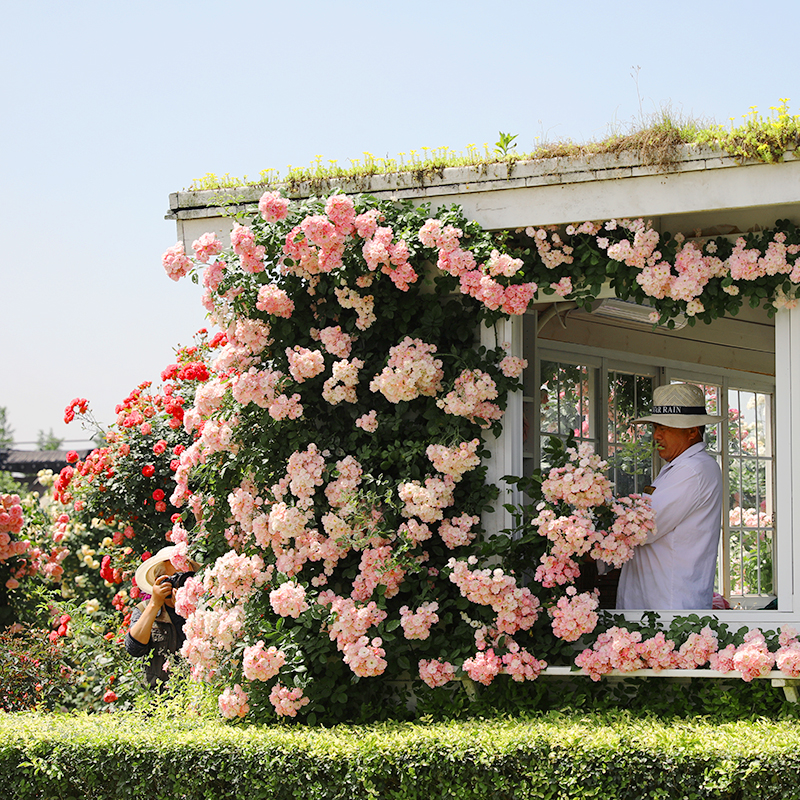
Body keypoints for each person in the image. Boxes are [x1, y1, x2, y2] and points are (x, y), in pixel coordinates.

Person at [616, 383, 724, 610]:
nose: (656, 435)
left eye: (665, 427)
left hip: (669, 607)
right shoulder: (681, 467)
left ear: (692, 430)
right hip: (659, 604)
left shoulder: (692, 469)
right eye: (655, 427)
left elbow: (643, 528)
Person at [124, 546, 197, 687]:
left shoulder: (204, 607)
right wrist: (154, 604)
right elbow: (134, 648)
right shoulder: (145, 609)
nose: (182, 584)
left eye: (186, 577)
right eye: (176, 577)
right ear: (161, 581)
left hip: (198, 695)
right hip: (161, 699)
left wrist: (188, 611)